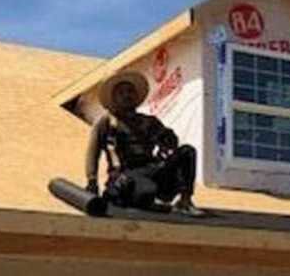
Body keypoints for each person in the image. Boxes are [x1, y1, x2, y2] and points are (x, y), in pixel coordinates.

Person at [85, 71, 203, 215]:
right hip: (125, 176)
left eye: (130, 91)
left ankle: (185, 201)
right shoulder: (106, 123)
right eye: (121, 93)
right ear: (114, 98)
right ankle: (142, 201)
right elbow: (92, 153)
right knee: (147, 190)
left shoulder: (149, 122)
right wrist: (92, 182)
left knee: (187, 151)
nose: (127, 95)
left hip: (152, 170)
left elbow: (171, 141)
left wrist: (167, 141)